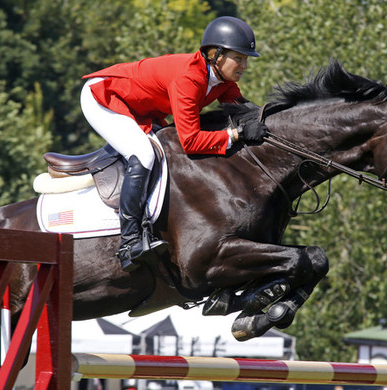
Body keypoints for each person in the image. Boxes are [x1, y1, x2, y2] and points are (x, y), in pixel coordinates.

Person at [79, 16, 268, 272]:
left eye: (246, 59)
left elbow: (244, 110)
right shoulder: (189, 79)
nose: (245, 66)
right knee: (144, 155)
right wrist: (235, 135)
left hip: (140, 108)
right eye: (240, 58)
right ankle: (129, 241)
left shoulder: (222, 81)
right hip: (104, 97)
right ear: (217, 55)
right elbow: (190, 141)